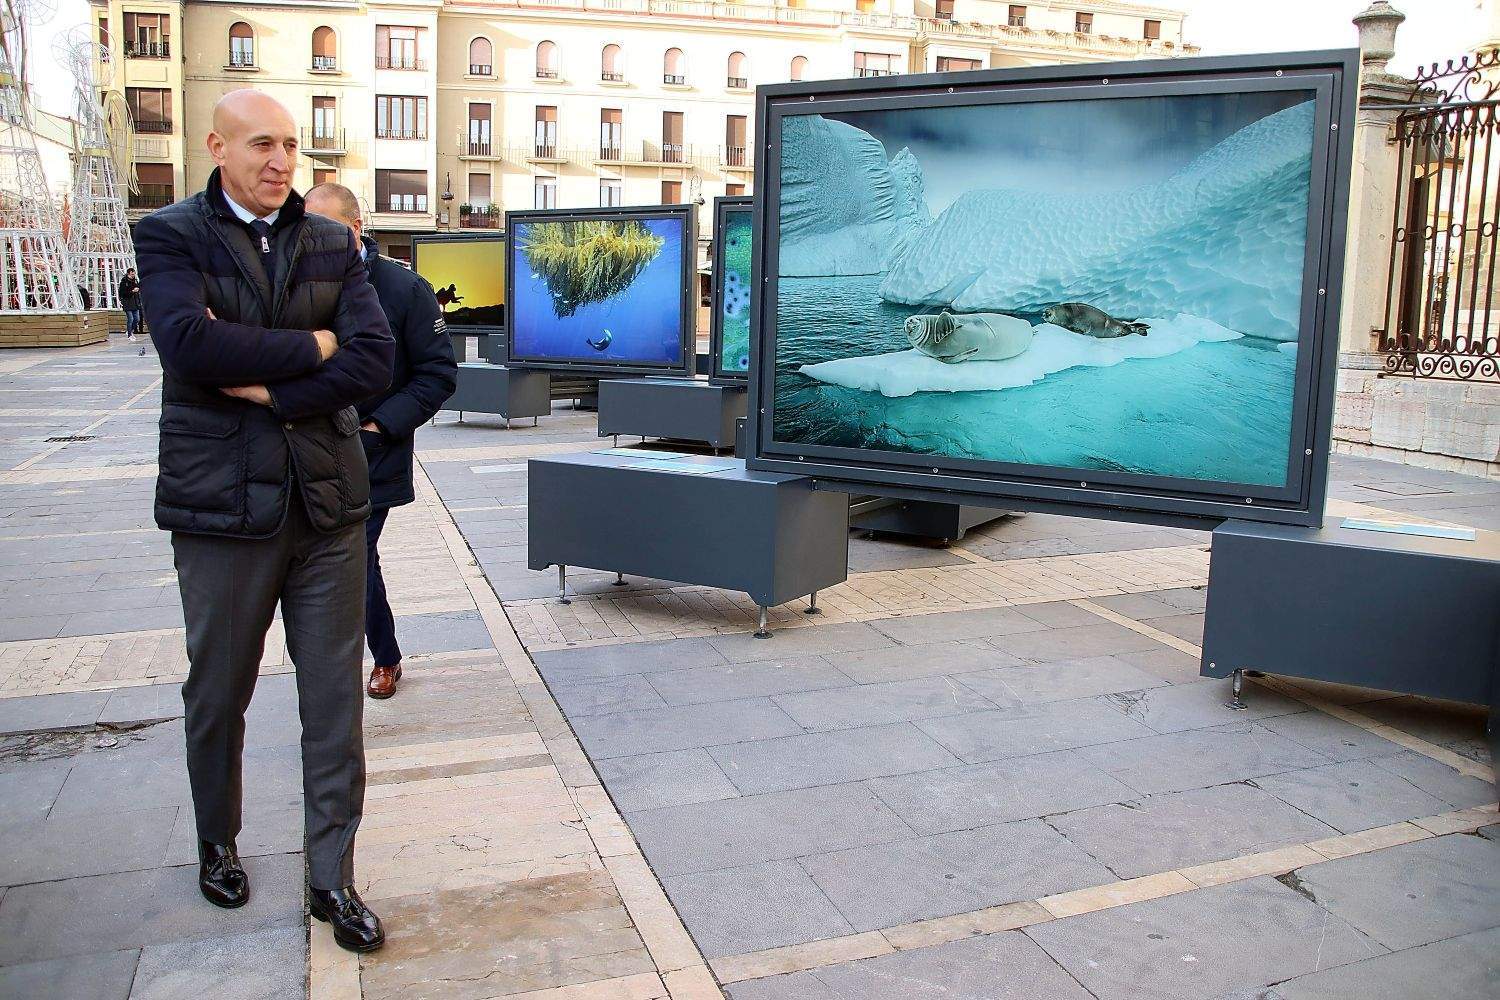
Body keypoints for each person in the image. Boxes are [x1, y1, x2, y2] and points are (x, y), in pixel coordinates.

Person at [132, 89, 395, 953]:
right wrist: (313, 346)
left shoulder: (330, 239)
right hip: (221, 510)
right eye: (260, 145)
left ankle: (333, 878)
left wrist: (277, 385)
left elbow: (374, 358)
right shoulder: (172, 234)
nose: (281, 161)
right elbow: (188, 348)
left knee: (333, 708)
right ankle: (219, 842)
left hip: (327, 508)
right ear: (217, 146)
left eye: (289, 145)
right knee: (219, 693)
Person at [304, 182, 457, 699]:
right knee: (318, 562)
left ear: (355, 229)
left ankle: (380, 659)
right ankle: (361, 657)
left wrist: (379, 427)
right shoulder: (297, 285)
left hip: (371, 453)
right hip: (305, 449)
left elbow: (437, 374)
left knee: (354, 555)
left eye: (324, 230)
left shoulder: (403, 289)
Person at [118, 267, 141, 342]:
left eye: (134, 274)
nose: (133, 276)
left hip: (135, 303)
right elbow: (122, 293)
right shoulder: (124, 282)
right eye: (131, 274)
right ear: (128, 274)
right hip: (127, 303)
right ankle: (129, 335)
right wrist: (132, 291)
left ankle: (130, 330)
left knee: (137, 319)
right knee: (130, 319)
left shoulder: (135, 281)